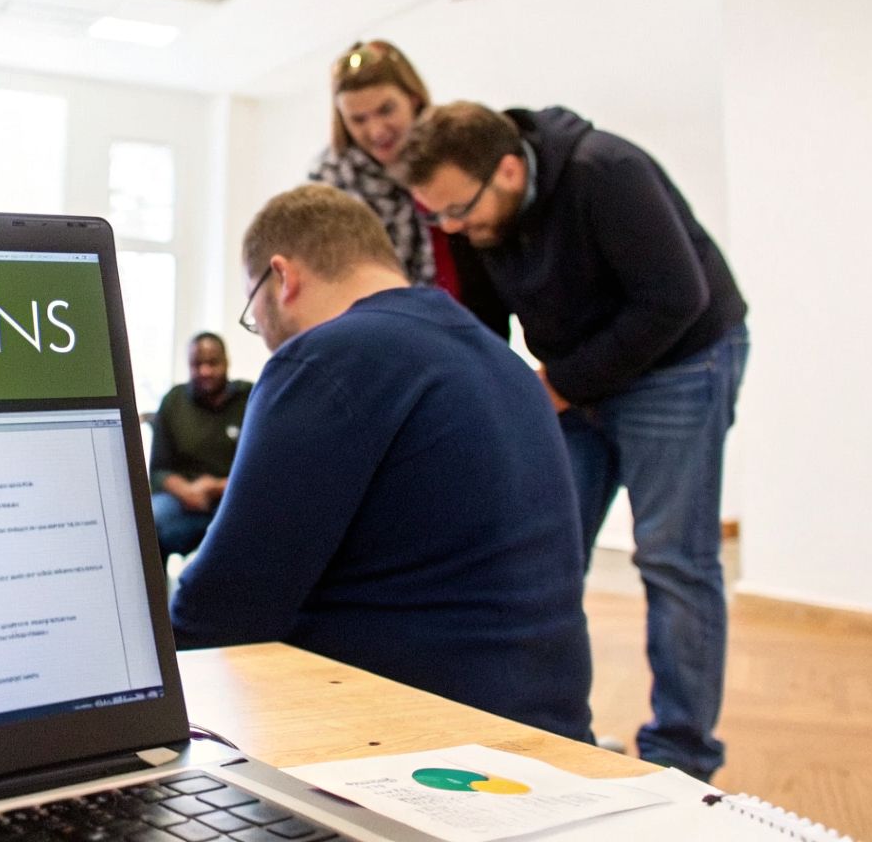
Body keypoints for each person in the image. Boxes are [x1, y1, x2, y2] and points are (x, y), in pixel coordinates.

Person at [401, 101, 749, 782]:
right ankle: (554, 733)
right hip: (579, 372)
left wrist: (562, 383)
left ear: (508, 170)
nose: (453, 228)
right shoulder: (470, 213)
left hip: (681, 361)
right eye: (437, 216)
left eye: (458, 210)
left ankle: (681, 759)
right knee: (542, 554)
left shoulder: (606, 171)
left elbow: (677, 297)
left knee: (674, 559)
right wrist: (485, 399)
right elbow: (483, 322)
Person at [170, 184, 593, 743]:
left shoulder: (327, 357)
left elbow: (224, 607)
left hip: (421, 746)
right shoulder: (502, 361)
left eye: (255, 311)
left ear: (283, 277)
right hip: (548, 732)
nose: (266, 336)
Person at [309, 40, 509, 338]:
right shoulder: (331, 183)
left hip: (477, 327)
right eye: (358, 119)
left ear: (413, 98)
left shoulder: (453, 150)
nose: (376, 130)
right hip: (387, 338)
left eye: (386, 110)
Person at [148, 333, 251, 558]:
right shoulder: (174, 401)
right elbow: (158, 470)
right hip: (183, 501)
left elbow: (262, 471)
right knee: (149, 520)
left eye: (212, 363)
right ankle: (156, 582)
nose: (205, 371)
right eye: (197, 364)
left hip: (235, 498)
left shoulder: (249, 400)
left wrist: (216, 487)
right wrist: (187, 491)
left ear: (226, 361)